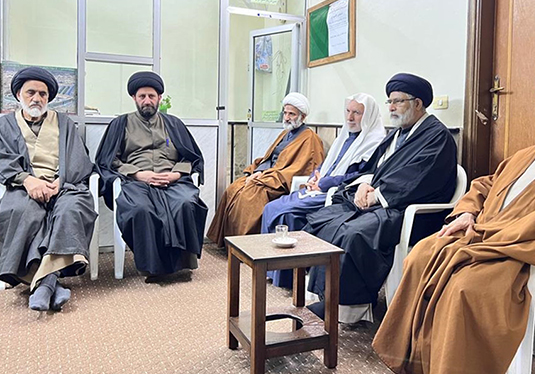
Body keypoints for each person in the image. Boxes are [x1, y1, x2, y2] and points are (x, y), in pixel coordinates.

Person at [372, 60, 535, 374]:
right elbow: (485, 185)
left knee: (467, 286)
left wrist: (502, 236)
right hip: (489, 236)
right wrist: (467, 213)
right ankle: (422, 362)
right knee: (422, 254)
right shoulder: (531, 153)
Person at [305, 73, 457, 323]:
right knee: (324, 218)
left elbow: (418, 178)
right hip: (383, 202)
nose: (391, 107)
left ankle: (347, 308)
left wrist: (377, 195)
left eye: (398, 101)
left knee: (354, 233)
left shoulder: (436, 136)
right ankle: (325, 296)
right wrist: (365, 185)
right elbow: (374, 169)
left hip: (409, 210)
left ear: (418, 103)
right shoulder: (397, 134)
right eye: (389, 102)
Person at [262, 93, 386, 288]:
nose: (350, 117)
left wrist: (325, 182)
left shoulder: (375, 142)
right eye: (348, 111)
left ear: (368, 115)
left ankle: (287, 276)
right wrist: (316, 175)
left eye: (357, 113)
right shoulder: (345, 136)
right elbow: (328, 163)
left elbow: (361, 176)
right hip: (321, 187)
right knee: (271, 207)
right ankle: (269, 267)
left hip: (338, 193)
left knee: (287, 213)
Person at [0, 66, 97, 311]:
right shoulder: (5, 125)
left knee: (72, 209)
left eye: (42, 94)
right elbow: (2, 159)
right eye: (31, 92)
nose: (37, 98)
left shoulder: (64, 123)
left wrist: (60, 182)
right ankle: (51, 283)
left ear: (48, 98)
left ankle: (45, 284)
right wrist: (27, 180)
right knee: (23, 211)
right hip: (24, 187)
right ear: (19, 95)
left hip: (64, 185)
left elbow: (79, 159)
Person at [95, 71, 207, 279]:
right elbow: (108, 161)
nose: (147, 101)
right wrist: (138, 174)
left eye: (151, 96)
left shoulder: (173, 124)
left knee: (185, 203)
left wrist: (176, 174)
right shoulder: (120, 124)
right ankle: (151, 267)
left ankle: (183, 264)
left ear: (159, 98)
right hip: (136, 182)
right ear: (134, 98)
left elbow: (190, 156)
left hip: (173, 181)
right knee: (140, 209)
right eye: (142, 96)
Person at [207, 92, 324, 248]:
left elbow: (302, 169)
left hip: (279, 181)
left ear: (302, 116)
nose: (287, 117)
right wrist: (257, 172)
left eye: (292, 114)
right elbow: (269, 158)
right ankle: (230, 243)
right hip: (268, 174)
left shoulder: (310, 138)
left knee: (248, 197)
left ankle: (247, 247)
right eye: (285, 113)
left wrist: (264, 177)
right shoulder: (286, 133)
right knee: (234, 189)